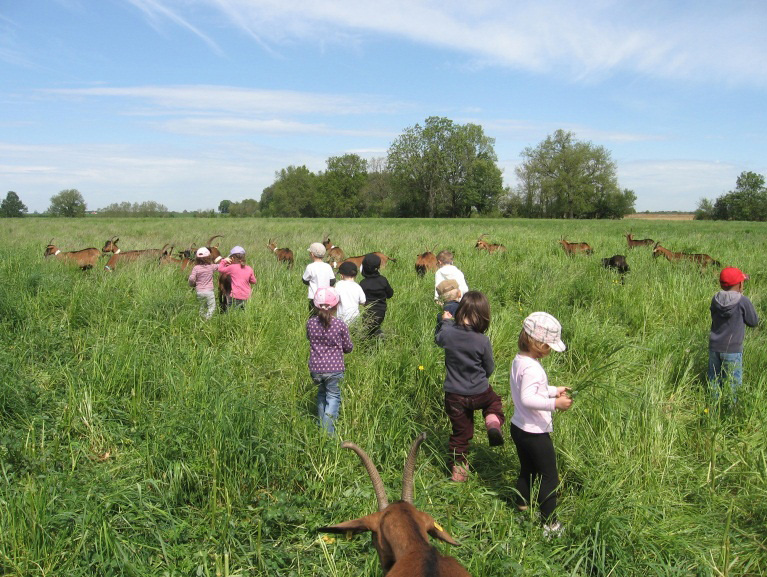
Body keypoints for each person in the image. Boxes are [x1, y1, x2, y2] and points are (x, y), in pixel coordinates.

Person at [509, 312, 572, 537]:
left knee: (528, 469)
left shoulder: (520, 361)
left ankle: (522, 506)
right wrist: (555, 403)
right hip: (534, 433)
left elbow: (529, 391)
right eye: (548, 347)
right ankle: (550, 525)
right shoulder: (534, 368)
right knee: (549, 476)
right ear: (539, 344)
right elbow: (529, 398)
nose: (549, 352)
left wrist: (554, 390)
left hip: (519, 427)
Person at [435, 291, 505, 482]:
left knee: (460, 434)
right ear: (483, 316)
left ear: (460, 310)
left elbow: (438, 338)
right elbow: (489, 367)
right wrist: (481, 378)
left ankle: (459, 473)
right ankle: (492, 422)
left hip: (454, 395)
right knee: (494, 402)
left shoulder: (448, 333)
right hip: (479, 391)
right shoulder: (482, 340)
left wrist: (445, 321)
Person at [708, 266, 759, 402]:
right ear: (740, 284)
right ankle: (730, 414)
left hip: (714, 348)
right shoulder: (743, 301)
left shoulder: (715, 298)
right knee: (733, 385)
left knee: (714, 381)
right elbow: (753, 322)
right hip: (733, 349)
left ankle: (712, 411)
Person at [306, 287, 353, 434]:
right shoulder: (340, 324)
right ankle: (328, 432)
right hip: (334, 368)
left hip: (316, 368)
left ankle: (322, 427)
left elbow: (309, 338)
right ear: (336, 306)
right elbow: (348, 347)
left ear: (315, 305)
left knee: (321, 394)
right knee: (333, 397)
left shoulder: (310, 323)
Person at [359, 253, 394, 338]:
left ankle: (371, 341)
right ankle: (378, 337)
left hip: (367, 313)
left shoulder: (363, 283)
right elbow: (390, 294)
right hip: (381, 312)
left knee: (368, 330)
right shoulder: (383, 280)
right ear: (378, 267)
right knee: (375, 327)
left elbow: (360, 300)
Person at [217, 246, 257, 310]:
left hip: (235, 296)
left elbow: (220, 269)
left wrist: (224, 261)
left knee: (230, 311)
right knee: (243, 311)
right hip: (246, 296)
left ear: (232, 258)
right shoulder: (249, 268)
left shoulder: (232, 267)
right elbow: (254, 281)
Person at [303, 242, 336, 312]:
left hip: (314, 297)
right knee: (326, 315)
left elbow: (304, 280)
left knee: (314, 316)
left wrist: (311, 282)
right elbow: (332, 281)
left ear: (312, 254)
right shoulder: (327, 266)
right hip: (327, 297)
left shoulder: (310, 267)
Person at [188, 247, 217, 320]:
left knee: (202, 307)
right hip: (209, 292)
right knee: (212, 307)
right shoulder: (211, 267)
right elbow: (220, 266)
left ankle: (201, 319)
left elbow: (191, 278)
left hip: (199, 292)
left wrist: (192, 284)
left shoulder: (196, 268)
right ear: (208, 257)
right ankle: (207, 319)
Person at [335, 260, 366, 326]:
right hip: (355, 319)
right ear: (355, 275)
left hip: (341, 319)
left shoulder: (338, 285)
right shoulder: (357, 286)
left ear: (341, 275)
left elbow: (334, 299)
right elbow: (363, 301)